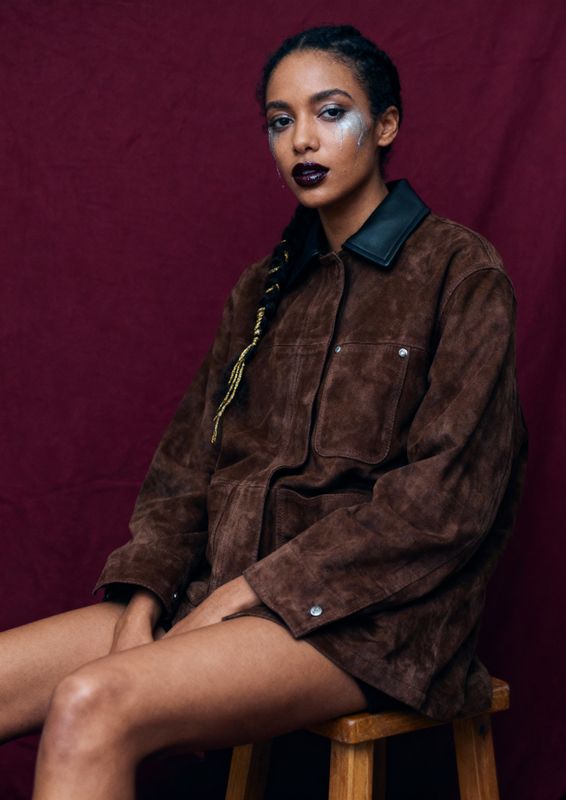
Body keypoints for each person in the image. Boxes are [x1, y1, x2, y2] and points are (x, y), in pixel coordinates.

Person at [0, 24, 528, 797]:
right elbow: (184, 472)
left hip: (370, 620)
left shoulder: (461, 272)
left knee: (93, 702)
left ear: (384, 126)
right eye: (281, 122)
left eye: (330, 112)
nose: (302, 140)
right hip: (215, 590)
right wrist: (144, 602)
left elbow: (444, 506)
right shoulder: (263, 289)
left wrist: (244, 594)